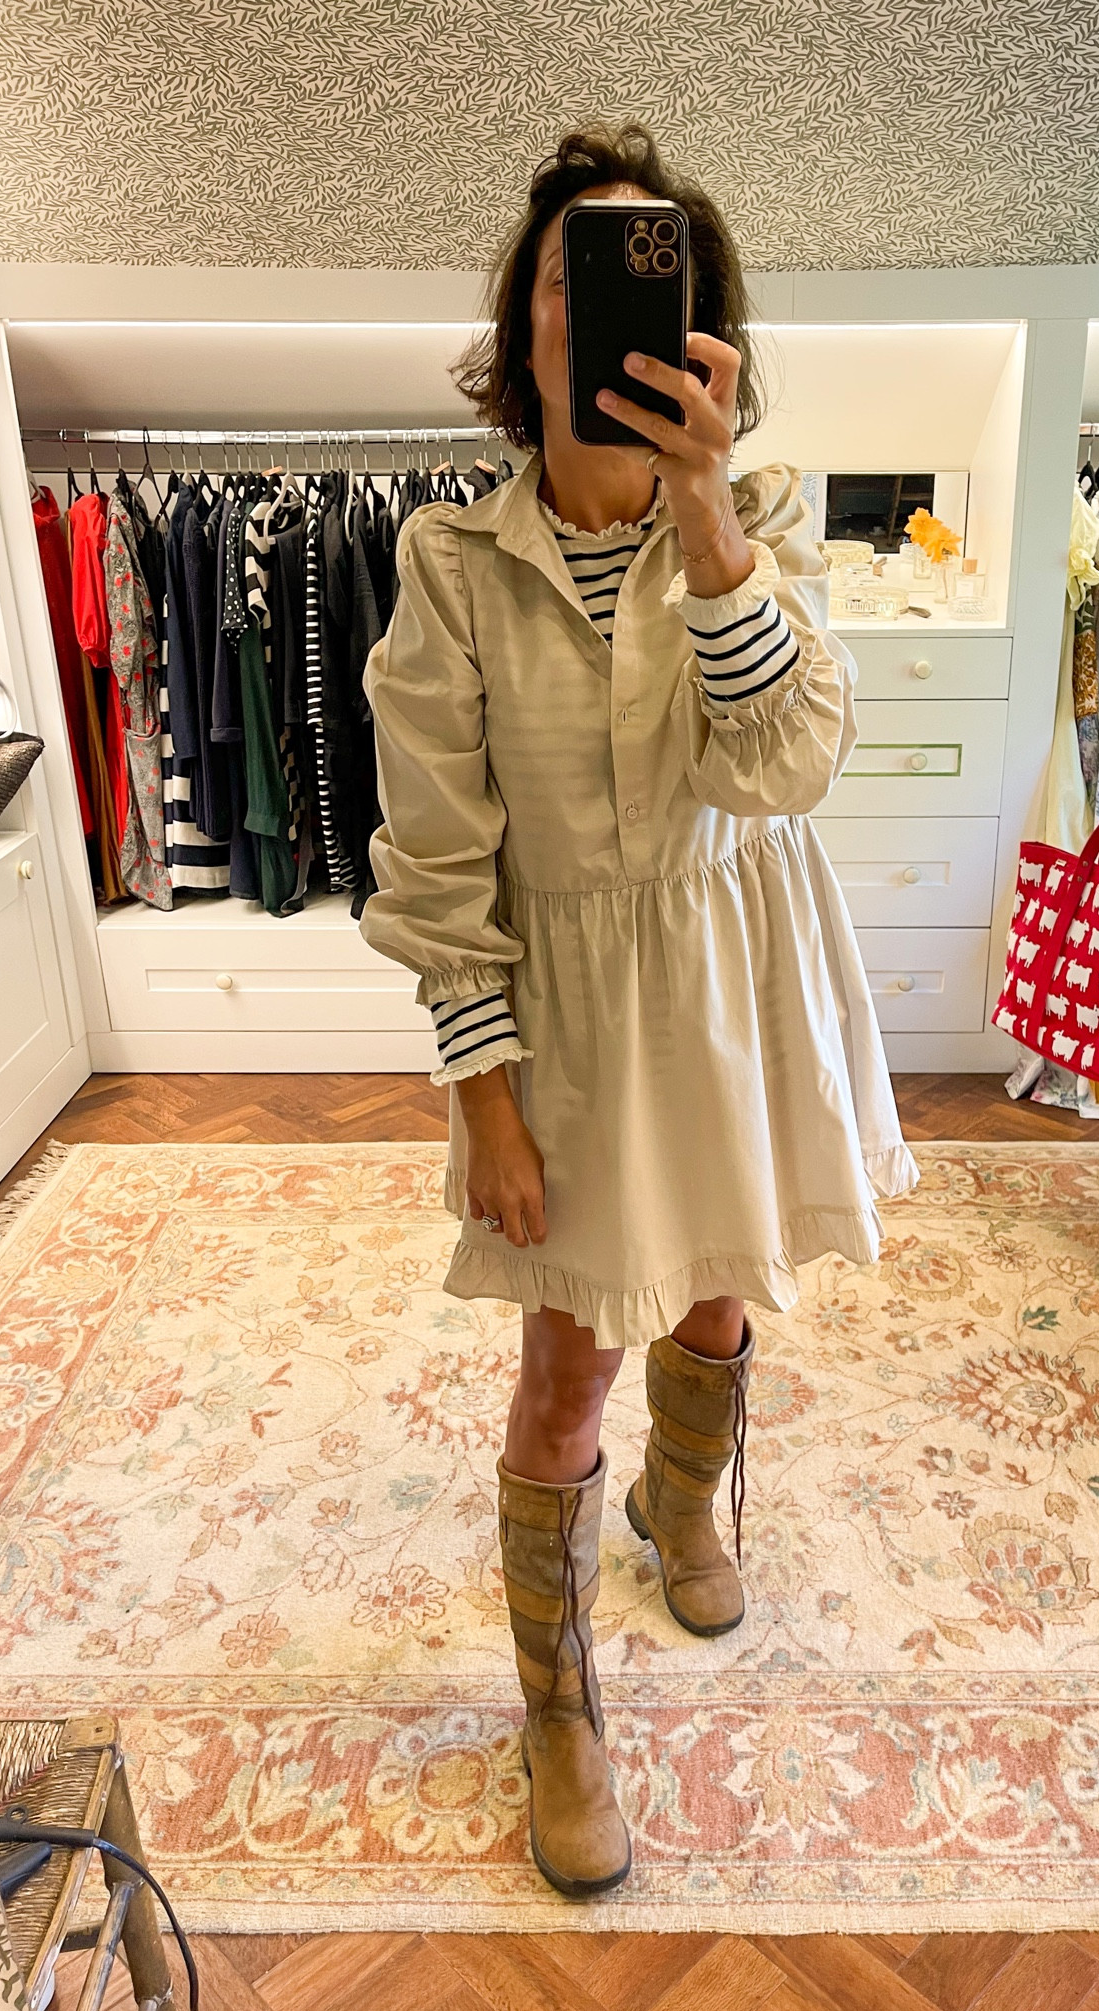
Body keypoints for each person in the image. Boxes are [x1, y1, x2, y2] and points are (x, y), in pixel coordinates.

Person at [361, 122, 917, 1899]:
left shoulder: (756, 521)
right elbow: (437, 857)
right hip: (576, 1010)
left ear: (699, 330)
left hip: (738, 970)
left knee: (720, 1281)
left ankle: (686, 1500)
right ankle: (559, 1707)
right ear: (521, 332)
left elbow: (787, 765)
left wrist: (704, 509)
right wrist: (485, 1099)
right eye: (563, 278)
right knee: (564, 1365)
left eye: (636, 278)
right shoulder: (452, 565)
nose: (588, 311)